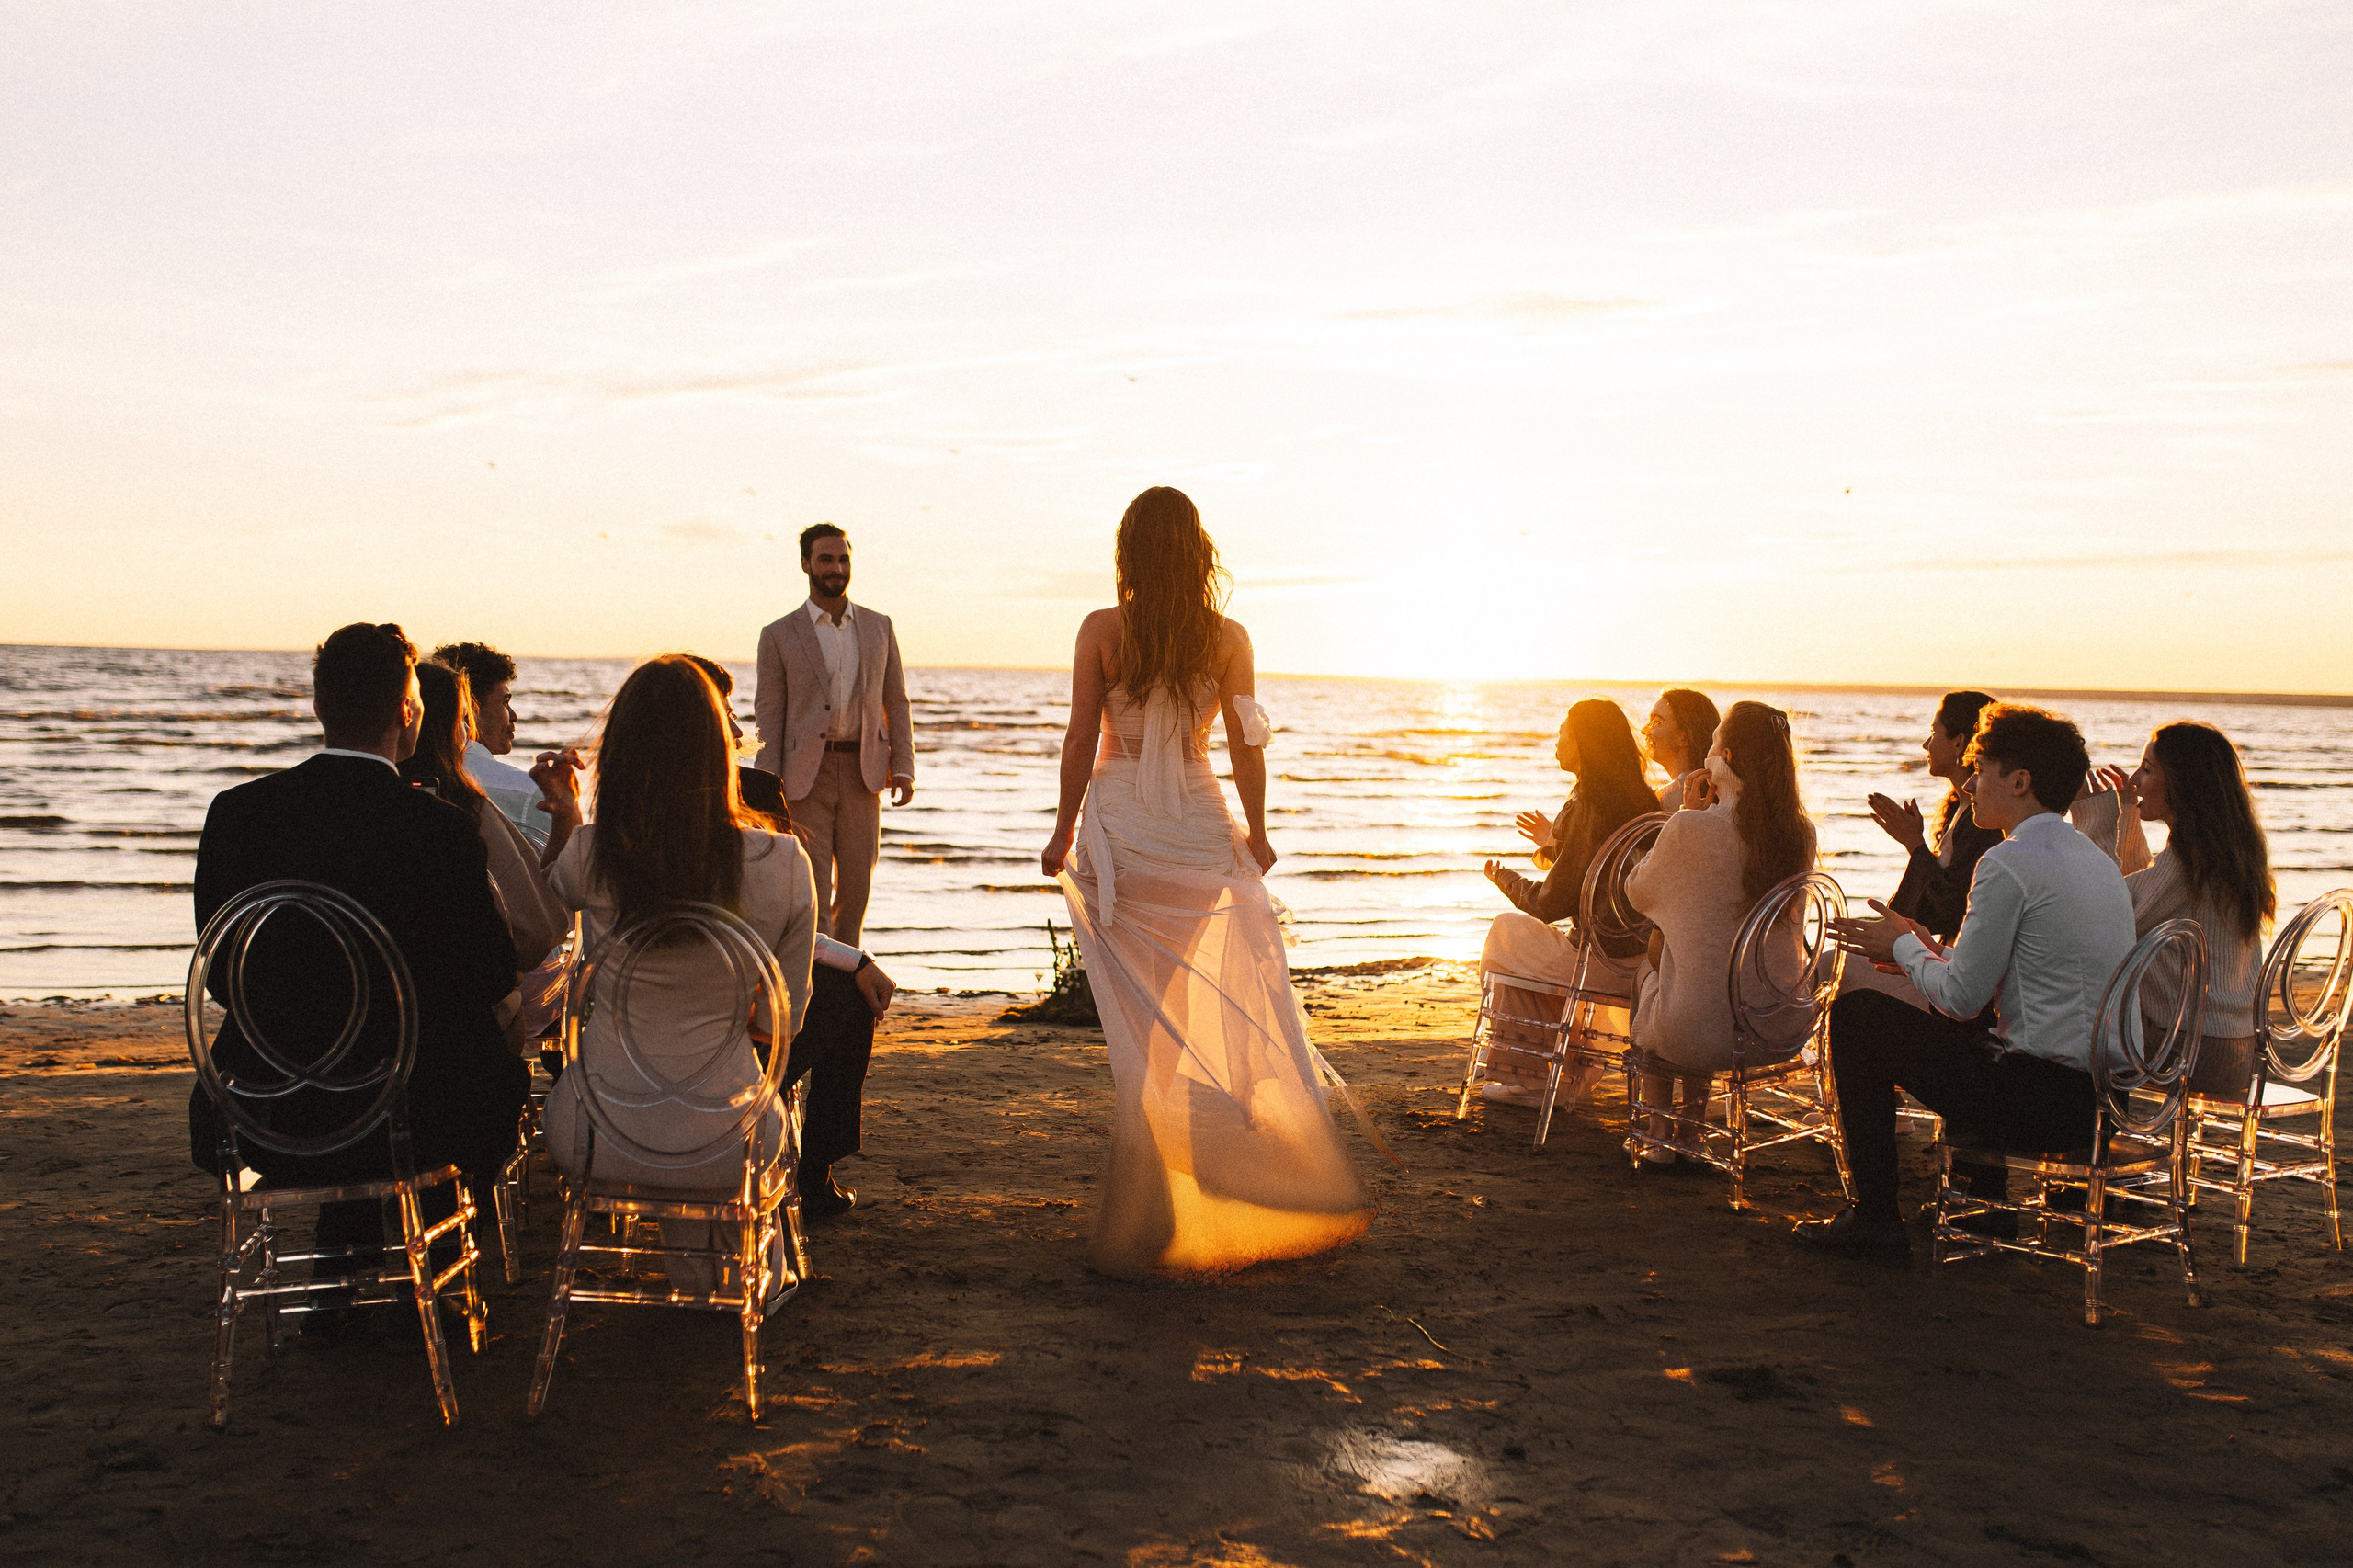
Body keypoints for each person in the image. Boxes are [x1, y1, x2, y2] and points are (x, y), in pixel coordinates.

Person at [1040, 486, 1372, 1278]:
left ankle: (1156, 1199)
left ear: (1128, 550)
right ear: (1198, 551)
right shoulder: (1227, 637)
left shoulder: (1101, 630)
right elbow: (1245, 745)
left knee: (1142, 1019)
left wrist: (1061, 829)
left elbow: (1083, 737)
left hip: (1124, 826)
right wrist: (1257, 830)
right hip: (1193, 823)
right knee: (1175, 1007)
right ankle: (1176, 1188)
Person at [188, 623, 528, 1330]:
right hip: (406, 1117)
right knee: (480, 1067)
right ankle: (427, 1276)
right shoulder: (438, 828)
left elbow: (222, 974)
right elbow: (491, 974)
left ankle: (341, 1275)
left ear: (319, 706)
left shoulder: (238, 814)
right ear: (408, 712)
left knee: (408, 1057)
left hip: (262, 1112)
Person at [1809, 704, 2135, 1259]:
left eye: (1980, 770)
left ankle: (1876, 1217)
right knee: (1974, 1031)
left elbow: (1961, 999)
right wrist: (1928, 950)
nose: (1969, 784)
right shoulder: (2096, 860)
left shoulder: (2009, 862)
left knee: (1859, 1016)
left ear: (2020, 782)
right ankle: (1984, 1205)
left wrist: (1903, 949)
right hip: (2106, 1101)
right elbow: (2024, 968)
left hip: (2045, 1107)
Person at [542, 656, 817, 1290]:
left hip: (592, 1135)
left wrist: (565, 816)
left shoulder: (589, 853)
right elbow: (779, 1026)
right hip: (729, 1145)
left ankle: (700, 1266)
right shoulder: (783, 861)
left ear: (621, 756)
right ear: (720, 753)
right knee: (730, 1099)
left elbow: (538, 925)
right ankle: (734, 1272)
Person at [688, 653, 897, 1215]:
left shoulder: (621, 814)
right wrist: (854, 962)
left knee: (842, 981)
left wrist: (852, 957)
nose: (738, 730)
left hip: (635, 1048)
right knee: (844, 998)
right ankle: (812, 1168)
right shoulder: (758, 805)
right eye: (726, 714)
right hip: (743, 1031)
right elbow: (790, 924)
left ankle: (813, 1161)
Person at [1623, 701, 1818, 1154]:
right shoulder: (1800, 833)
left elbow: (1637, 892)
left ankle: (1659, 1131)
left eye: (1712, 745)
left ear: (1725, 759)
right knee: (1702, 974)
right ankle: (1692, 1131)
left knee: (1653, 973)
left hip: (1701, 1034)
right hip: (1779, 1028)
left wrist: (1681, 816)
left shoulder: (1690, 828)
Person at [2070, 721, 2274, 1097]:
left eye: (2147, 770)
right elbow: (2145, 889)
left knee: (2066, 1040)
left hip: (2191, 1053)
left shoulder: (2188, 862)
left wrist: (2092, 818)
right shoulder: (2221, 852)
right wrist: (2126, 814)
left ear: (2184, 783)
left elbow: (2108, 910)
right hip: (2235, 1048)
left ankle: (2083, 1129)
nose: (2134, 779)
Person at [1477, 698, 1659, 1107]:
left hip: (1597, 964)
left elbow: (1550, 903)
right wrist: (1553, 842)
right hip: (1642, 965)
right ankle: (1557, 1070)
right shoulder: (1644, 801)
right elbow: (1594, 865)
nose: (1557, 742)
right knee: (1524, 954)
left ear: (1584, 744)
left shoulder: (1585, 805)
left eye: (1564, 733)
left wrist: (1504, 879)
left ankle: (1532, 1078)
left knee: (1506, 934)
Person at [752, 524, 915, 946]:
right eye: (826, 559)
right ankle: (816, 979)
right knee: (813, 890)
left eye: (843, 559)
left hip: (864, 773)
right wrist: (767, 785)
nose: (836, 568)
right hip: (805, 778)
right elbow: (769, 714)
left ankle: (847, 977)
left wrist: (904, 767)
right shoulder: (779, 635)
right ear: (806, 564)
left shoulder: (879, 626)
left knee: (857, 891)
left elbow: (895, 701)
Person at [398, 661, 569, 1038]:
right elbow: (540, 931)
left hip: (351, 1032)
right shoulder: (465, 814)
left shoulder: (331, 809)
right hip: (453, 1033)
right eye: (463, 720)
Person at [1829, 690, 2003, 1030]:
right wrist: (1916, 849)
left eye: (1935, 732)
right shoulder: (1959, 809)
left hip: (1956, 985)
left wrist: (1915, 845)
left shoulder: (1982, 824)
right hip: (1942, 960)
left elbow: (1948, 907)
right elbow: (1926, 906)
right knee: (1833, 962)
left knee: (1831, 970)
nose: (1926, 743)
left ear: (1959, 742)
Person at [430, 640, 577, 861]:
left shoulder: (410, 780)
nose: (514, 715)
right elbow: (565, 872)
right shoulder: (528, 791)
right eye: (504, 702)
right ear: (470, 709)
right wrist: (569, 808)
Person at [1641, 688, 1722, 812]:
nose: (1644, 730)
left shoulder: (1670, 797)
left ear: (1683, 738)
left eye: (1657, 722)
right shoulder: (1714, 791)